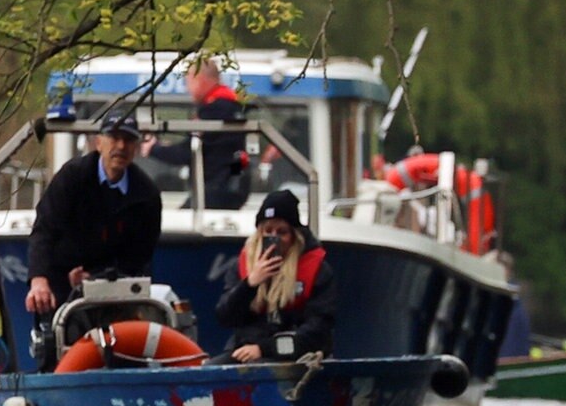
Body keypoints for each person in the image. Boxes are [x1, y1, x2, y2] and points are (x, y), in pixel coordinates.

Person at [24, 110, 163, 315]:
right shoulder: (72, 177)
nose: (121, 146)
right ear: (98, 143)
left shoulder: (146, 195)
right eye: (114, 138)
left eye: (128, 140)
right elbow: (45, 229)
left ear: (136, 148)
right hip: (61, 280)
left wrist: (97, 278)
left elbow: (140, 257)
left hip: (116, 288)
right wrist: (39, 280)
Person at [214, 189, 337, 363]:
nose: (274, 238)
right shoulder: (242, 266)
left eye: (282, 232)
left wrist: (264, 349)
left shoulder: (318, 270)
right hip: (246, 349)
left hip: (295, 354)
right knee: (213, 368)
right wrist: (250, 284)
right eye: (268, 231)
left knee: (262, 368)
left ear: (294, 235)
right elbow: (225, 317)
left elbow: (318, 328)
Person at [149, 58, 248, 209]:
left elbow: (187, 152)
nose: (188, 88)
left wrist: (153, 148)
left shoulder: (214, 110)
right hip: (229, 189)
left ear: (199, 79)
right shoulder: (232, 107)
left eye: (188, 81)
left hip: (213, 192)